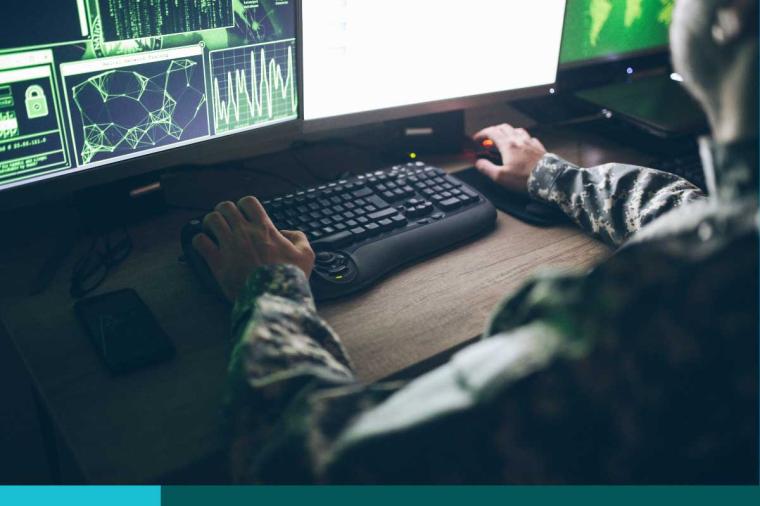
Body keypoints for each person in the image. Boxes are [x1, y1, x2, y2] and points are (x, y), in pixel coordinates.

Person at [192, 0, 758, 483]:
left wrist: (268, 289)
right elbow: (697, 212)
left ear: (725, 22)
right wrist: (551, 175)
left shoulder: (656, 318)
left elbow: (304, 466)